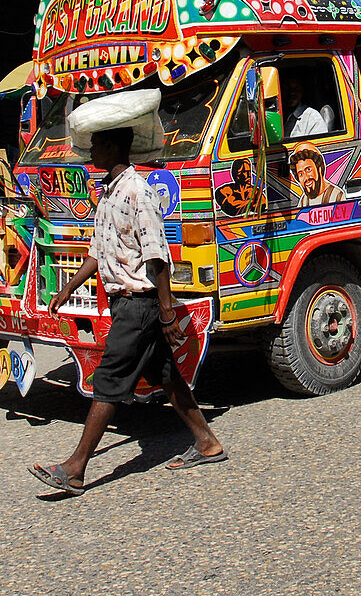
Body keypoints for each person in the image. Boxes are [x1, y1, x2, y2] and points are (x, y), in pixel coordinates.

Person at [29, 127, 226, 496]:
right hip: (127, 303)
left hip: (140, 304)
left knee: (108, 380)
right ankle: (207, 441)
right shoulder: (107, 192)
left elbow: (157, 256)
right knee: (166, 373)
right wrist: (68, 288)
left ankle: (75, 469)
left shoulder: (138, 191)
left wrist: (166, 314)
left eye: (98, 145)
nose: (91, 153)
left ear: (116, 147)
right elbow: (98, 251)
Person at [282, 72, 328, 138]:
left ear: (302, 91)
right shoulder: (276, 114)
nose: (292, 93)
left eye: (296, 89)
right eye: (288, 89)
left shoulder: (312, 117)